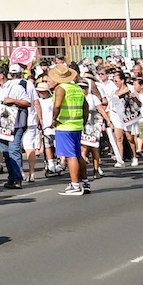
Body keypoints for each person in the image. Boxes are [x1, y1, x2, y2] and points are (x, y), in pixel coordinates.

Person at [48, 68, 92, 196]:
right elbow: (86, 107)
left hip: (65, 125)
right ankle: (85, 182)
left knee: (70, 156)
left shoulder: (61, 89)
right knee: (78, 155)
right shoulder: (77, 88)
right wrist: (83, 121)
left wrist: (54, 119)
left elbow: (57, 105)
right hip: (77, 124)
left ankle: (75, 185)